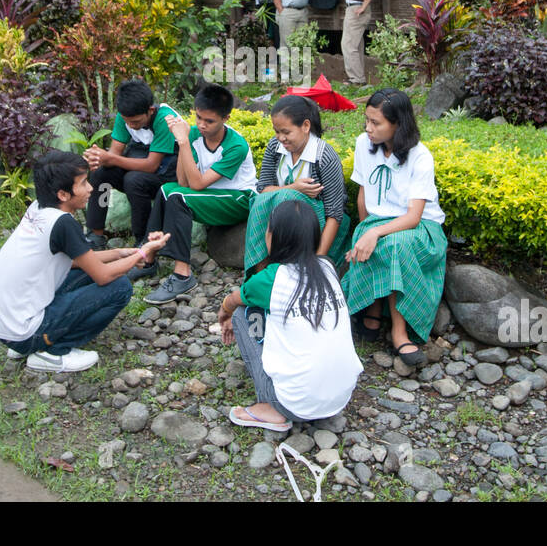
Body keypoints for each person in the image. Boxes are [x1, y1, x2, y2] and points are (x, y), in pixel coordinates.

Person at [0, 151, 171, 373]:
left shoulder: (40, 209)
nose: (91, 189)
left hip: (5, 327)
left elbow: (78, 262)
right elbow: (102, 275)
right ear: (63, 194)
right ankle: (53, 352)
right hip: (24, 331)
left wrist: (122, 253)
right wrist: (142, 254)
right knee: (120, 287)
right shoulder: (63, 223)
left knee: (87, 272)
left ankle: (28, 344)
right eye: (83, 183)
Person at [219, 198, 362, 431]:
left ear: (275, 237)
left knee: (243, 313)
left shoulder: (273, 277)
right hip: (340, 398)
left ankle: (269, 407)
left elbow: (236, 299)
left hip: (292, 404)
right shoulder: (328, 267)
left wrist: (224, 310)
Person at [341, 88, 447, 367]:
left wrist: (374, 233)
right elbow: (363, 193)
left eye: (376, 123)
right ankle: (374, 307)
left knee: (393, 245)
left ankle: (398, 330)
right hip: (379, 222)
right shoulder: (364, 143)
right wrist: (365, 230)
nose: (368, 128)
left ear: (398, 124)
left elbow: (413, 217)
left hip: (421, 229)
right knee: (366, 235)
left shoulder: (420, 156)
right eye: (367, 120)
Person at [141, 83, 257, 305]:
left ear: (226, 118)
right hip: (209, 195)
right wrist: (183, 142)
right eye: (199, 118)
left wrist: (183, 142)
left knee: (178, 197)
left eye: (209, 121)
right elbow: (183, 181)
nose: (202, 125)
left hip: (238, 199)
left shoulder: (236, 146)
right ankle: (148, 257)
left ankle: (182, 274)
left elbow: (195, 185)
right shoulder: (193, 135)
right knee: (166, 190)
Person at [243, 95, 350, 278]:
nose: (281, 138)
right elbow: (264, 190)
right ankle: (260, 273)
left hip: (317, 225)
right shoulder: (274, 147)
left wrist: (319, 260)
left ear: (306, 126)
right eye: (277, 131)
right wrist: (294, 188)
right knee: (264, 200)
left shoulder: (324, 156)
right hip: (281, 219)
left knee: (286, 199)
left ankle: (291, 268)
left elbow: (335, 213)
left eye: (286, 132)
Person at [83, 79, 179, 252]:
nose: (130, 126)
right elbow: (115, 152)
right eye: (127, 122)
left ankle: (142, 238)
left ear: (150, 110)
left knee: (134, 181)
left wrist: (110, 159)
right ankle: (96, 234)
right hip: (140, 163)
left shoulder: (165, 119)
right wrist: (99, 159)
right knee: (100, 174)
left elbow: (152, 165)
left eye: (135, 122)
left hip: (167, 173)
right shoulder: (125, 115)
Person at [339, 0, 377, 86]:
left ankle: (356, 79)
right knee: (356, 45)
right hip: (355, 9)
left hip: (356, 10)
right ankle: (358, 77)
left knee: (348, 44)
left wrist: (363, 6)